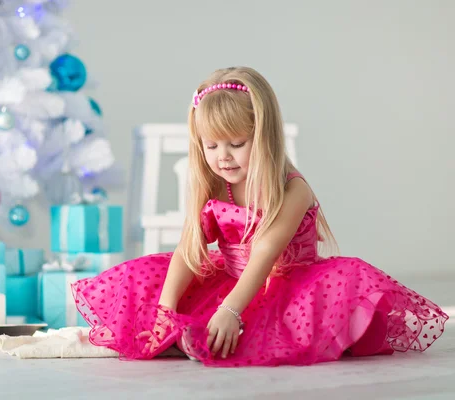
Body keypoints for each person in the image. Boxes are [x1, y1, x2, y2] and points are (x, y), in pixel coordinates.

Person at [71, 66, 448, 367]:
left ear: (264, 137)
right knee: (148, 281)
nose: (223, 157)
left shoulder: (293, 189)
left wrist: (231, 310)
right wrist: (165, 311)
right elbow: (190, 250)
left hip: (286, 283)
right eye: (211, 145)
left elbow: (264, 256)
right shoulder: (214, 183)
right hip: (230, 276)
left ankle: (204, 335)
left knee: (265, 328)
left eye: (237, 144)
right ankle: (181, 331)